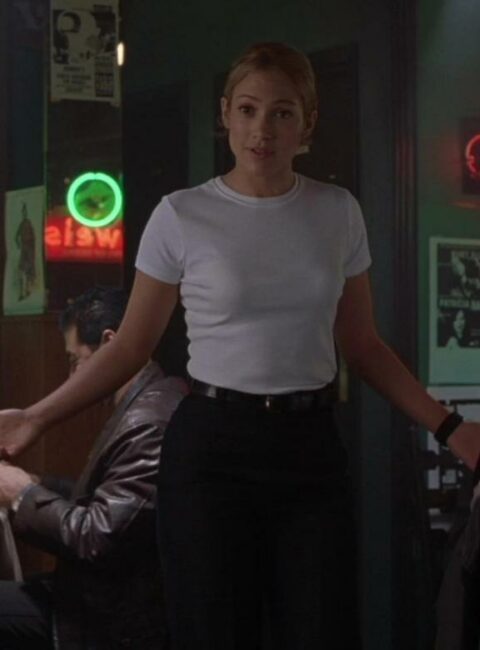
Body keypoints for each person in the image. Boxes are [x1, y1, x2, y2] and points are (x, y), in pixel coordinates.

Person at [1, 42, 480, 649]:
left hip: (309, 448)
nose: (262, 129)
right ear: (226, 113)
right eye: (248, 109)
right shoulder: (181, 214)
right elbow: (129, 347)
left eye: (282, 113)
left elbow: (362, 345)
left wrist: (451, 428)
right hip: (210, 450)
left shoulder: (337, 212)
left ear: (307, 123)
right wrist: (34, 418)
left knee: (321, 632)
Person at [0, 286, 187, 649]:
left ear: (110, 343)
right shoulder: (144, 402)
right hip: (98, 597)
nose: (72, 378)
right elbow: (110, 505)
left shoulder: (149, 421)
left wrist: (22, 494)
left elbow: (98, 538)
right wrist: (39, 483)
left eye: (75, 361)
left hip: (115, 618)